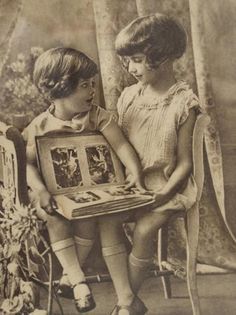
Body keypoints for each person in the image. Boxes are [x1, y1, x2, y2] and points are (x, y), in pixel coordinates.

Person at [22, 47, 146, 314]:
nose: (92, 91)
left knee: (106, 218)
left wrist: (133, 170)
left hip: (96, 194)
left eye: (93, 85)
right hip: (57, 197)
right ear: (61, 88)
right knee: (53, 215)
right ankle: (78, 282)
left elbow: (122, 146)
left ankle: (124, 297)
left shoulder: (98, 116)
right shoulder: (40, 126)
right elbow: (27, 165)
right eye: (85, 86)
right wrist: (40, 188)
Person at [108, 13, 202, 314]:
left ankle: (124, 304)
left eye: (136, 60)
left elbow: (186, 163)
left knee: (145, 229)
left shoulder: (182, 103)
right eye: (127, 61)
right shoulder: (129, 97)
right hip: (132, 185)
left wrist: (164, 193)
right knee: (104, 223)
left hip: (168, 187)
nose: (130, 68)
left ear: (162, 57)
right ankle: (129, 301)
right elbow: (119, 147)